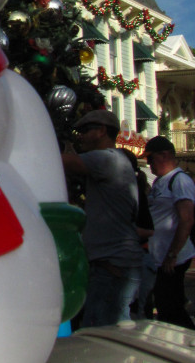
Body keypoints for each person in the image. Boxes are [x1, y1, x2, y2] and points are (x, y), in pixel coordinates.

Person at [62, 109, 144, 327]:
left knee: (100, 333)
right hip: (117, 263)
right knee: (115, 329)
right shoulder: (116, 161)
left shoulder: (106, 159)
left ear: (101, 131)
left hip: (110, 266)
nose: (80, 136)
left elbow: (63, 162)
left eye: (85, 130)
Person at [143, 136, 195, 329]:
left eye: (151, 159)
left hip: (174, 258)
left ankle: (190, 348)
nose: (149, 164)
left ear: (165, 155)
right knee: (166, 308)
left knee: (171, 308)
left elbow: (186, 219)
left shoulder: (179, 181)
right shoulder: (159, 182)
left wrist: (173, 254)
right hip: (161, 257)